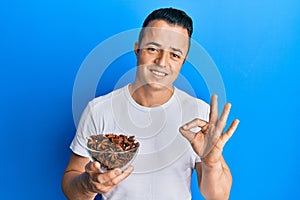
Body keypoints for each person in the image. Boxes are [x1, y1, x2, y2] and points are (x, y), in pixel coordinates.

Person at [62, 7, 239, 200]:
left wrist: (211, 162)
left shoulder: (197, 114)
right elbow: (71, 184)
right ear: (137, 49)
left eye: (174, 55)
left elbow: (218, 196)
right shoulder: (99, 110)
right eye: (153, 49)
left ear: (183, 61)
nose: (162, 62)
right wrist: (88, 185)